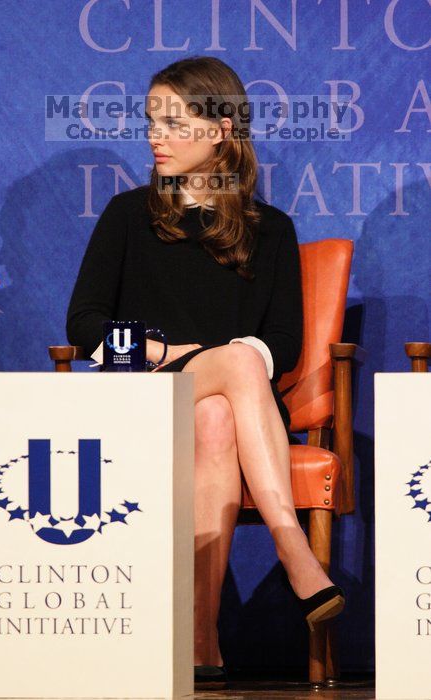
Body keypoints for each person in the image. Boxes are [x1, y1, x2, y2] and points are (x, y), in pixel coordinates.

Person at [66, 56, 345, 682]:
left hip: (227, 409)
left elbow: (284, 345)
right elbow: (83, 330)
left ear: (220, 129)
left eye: (173, 121)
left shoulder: (270, 230)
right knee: (237, 364)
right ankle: (290, 544)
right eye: (150, 122)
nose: (155, 136)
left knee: (219, 411)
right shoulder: (127, 216)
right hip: (142, 398)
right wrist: (176, 356)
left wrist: (217, 369)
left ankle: (201, 643)